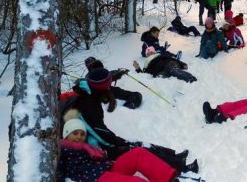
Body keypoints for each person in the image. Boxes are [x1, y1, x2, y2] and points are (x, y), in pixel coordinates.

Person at [60, 67, 199, 173]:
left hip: (94, 140)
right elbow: (100, 133)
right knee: (136, 148)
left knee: (138, 143)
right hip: (94, 148)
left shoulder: (89, 90)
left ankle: (174, 157)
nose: (110, 87)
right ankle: (181, 167)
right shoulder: (88, 102)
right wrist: (120, 142)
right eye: (108, 85)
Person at [56, 118, 204, 182]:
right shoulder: (61, 149)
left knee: (139, 153)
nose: (79, 137)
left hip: (107, 168)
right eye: (75, 133)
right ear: (66, 134)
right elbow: (57, 168)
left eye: (82, 133)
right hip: (95, 177)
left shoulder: (87, 147)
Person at [132, 46, 197, 83]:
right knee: (160, 79)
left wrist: (182, 64)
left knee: (174, 70)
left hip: (169, 64)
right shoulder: (146, 65)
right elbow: (144, 75)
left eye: (151, 52)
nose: (150, 53)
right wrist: (137, 68)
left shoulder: (160, 56)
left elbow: (171, 58)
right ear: (146, 55)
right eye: (148, 53)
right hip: (161, 72)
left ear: (154, 52)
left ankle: (190, 78)